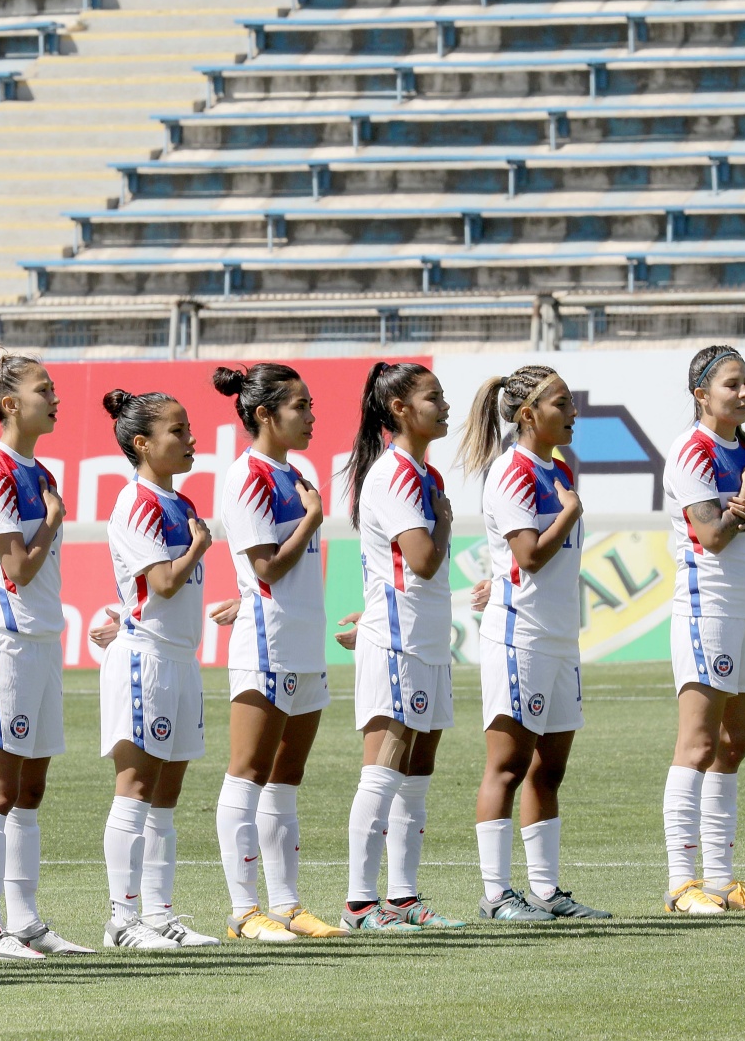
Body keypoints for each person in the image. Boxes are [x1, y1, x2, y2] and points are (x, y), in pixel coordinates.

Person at [460, 365, 611, 923]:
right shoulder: (513, 471)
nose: (573, 413)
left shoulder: (556, 467)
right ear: (529, 415)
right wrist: (570, 511)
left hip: (558, 637)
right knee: (507, 764)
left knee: (550, 768)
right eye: (562, 404)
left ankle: (547, 892)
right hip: (520, 635)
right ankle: (497, 894)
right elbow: (528, 554)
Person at [0, 349, 91, 959]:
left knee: (31, 788)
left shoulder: (36, 471)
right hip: (6, 642)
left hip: (41, 639)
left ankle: (26, 920)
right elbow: (15, 568)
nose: (55, 397)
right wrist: (55, 519)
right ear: (10, 403)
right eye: (45, 388)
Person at [210, 363, 340, 942]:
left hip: (304, 641)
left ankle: (287, 905)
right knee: (248, 774)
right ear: (264, 414)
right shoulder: (248, 478)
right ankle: (244, 910)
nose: (312, 416)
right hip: (267, 642)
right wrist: (311, 520)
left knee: (287, 778)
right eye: (301, 406)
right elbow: (264, 569)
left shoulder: (294, 472)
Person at [657, 347, 745, 915]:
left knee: (733, 746)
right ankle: (682, 883)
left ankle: (722, 881)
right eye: (732, 385)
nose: (744, 393)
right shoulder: (692, 450)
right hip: (705, 606)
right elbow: (710, 536)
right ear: (701, 395)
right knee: (699, 744)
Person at [342, 362, 466, 931]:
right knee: (385, 767)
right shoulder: (393, 474)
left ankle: (404, 896)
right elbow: (420, 559)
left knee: (418, 769)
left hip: (427, 639)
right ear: (399, 409)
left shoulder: (426, 474)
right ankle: (360, 903)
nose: (444, 405)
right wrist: (441, 524)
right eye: (432, 397)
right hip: (397, 640)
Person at [96, 389, 221, 949]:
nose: (190, 439)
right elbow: (163, 583)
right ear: (142, 443)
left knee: (166, 795)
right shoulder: (136, 502)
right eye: (178, 430)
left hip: (180, 660)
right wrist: (197, 549)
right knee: (136, 788)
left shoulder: (181, 502)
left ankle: (159, 913)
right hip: (145, 659)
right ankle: (122, 920)